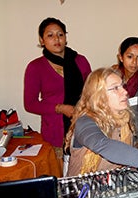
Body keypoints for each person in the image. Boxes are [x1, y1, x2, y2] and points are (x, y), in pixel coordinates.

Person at [24, 17, 92, 172]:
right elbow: (30, 104)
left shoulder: (80, 61)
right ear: (42, 40)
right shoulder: (35, 67)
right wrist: (60, 108)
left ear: (66, 38)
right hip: (55, 130)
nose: (56, 39)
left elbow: (91, 92)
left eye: (60, 34)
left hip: (83, 125)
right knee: (60, 176)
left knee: (83, 173)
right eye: (50, 35)